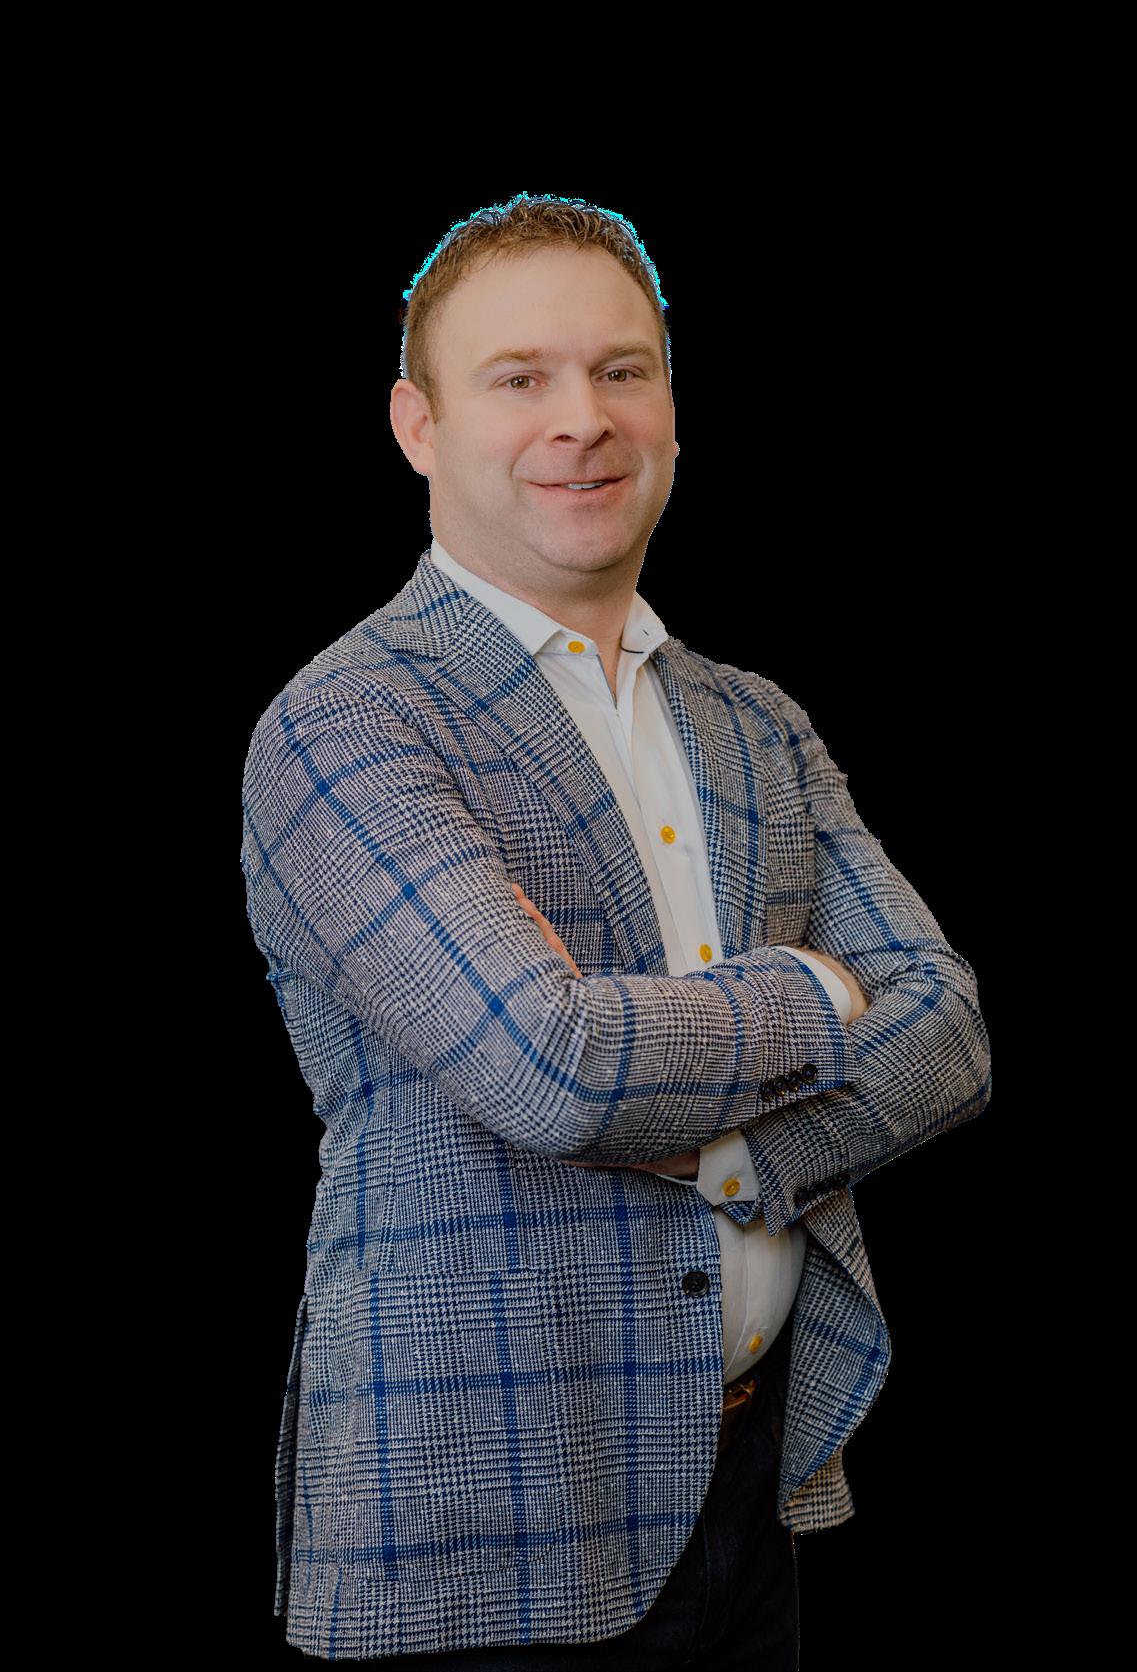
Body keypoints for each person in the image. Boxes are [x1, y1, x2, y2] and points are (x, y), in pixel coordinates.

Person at [239, 194, 992, 1667]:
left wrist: (737, 1158)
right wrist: (819, 989)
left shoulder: (755, 720)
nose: (580, 418)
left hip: (746, 1490)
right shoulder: (348, 725)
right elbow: (558, 1066)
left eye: (621, 370)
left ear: (669, 409)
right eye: (518, 377)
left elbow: (952, 1030)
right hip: (480, 1531)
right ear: (417, 424)